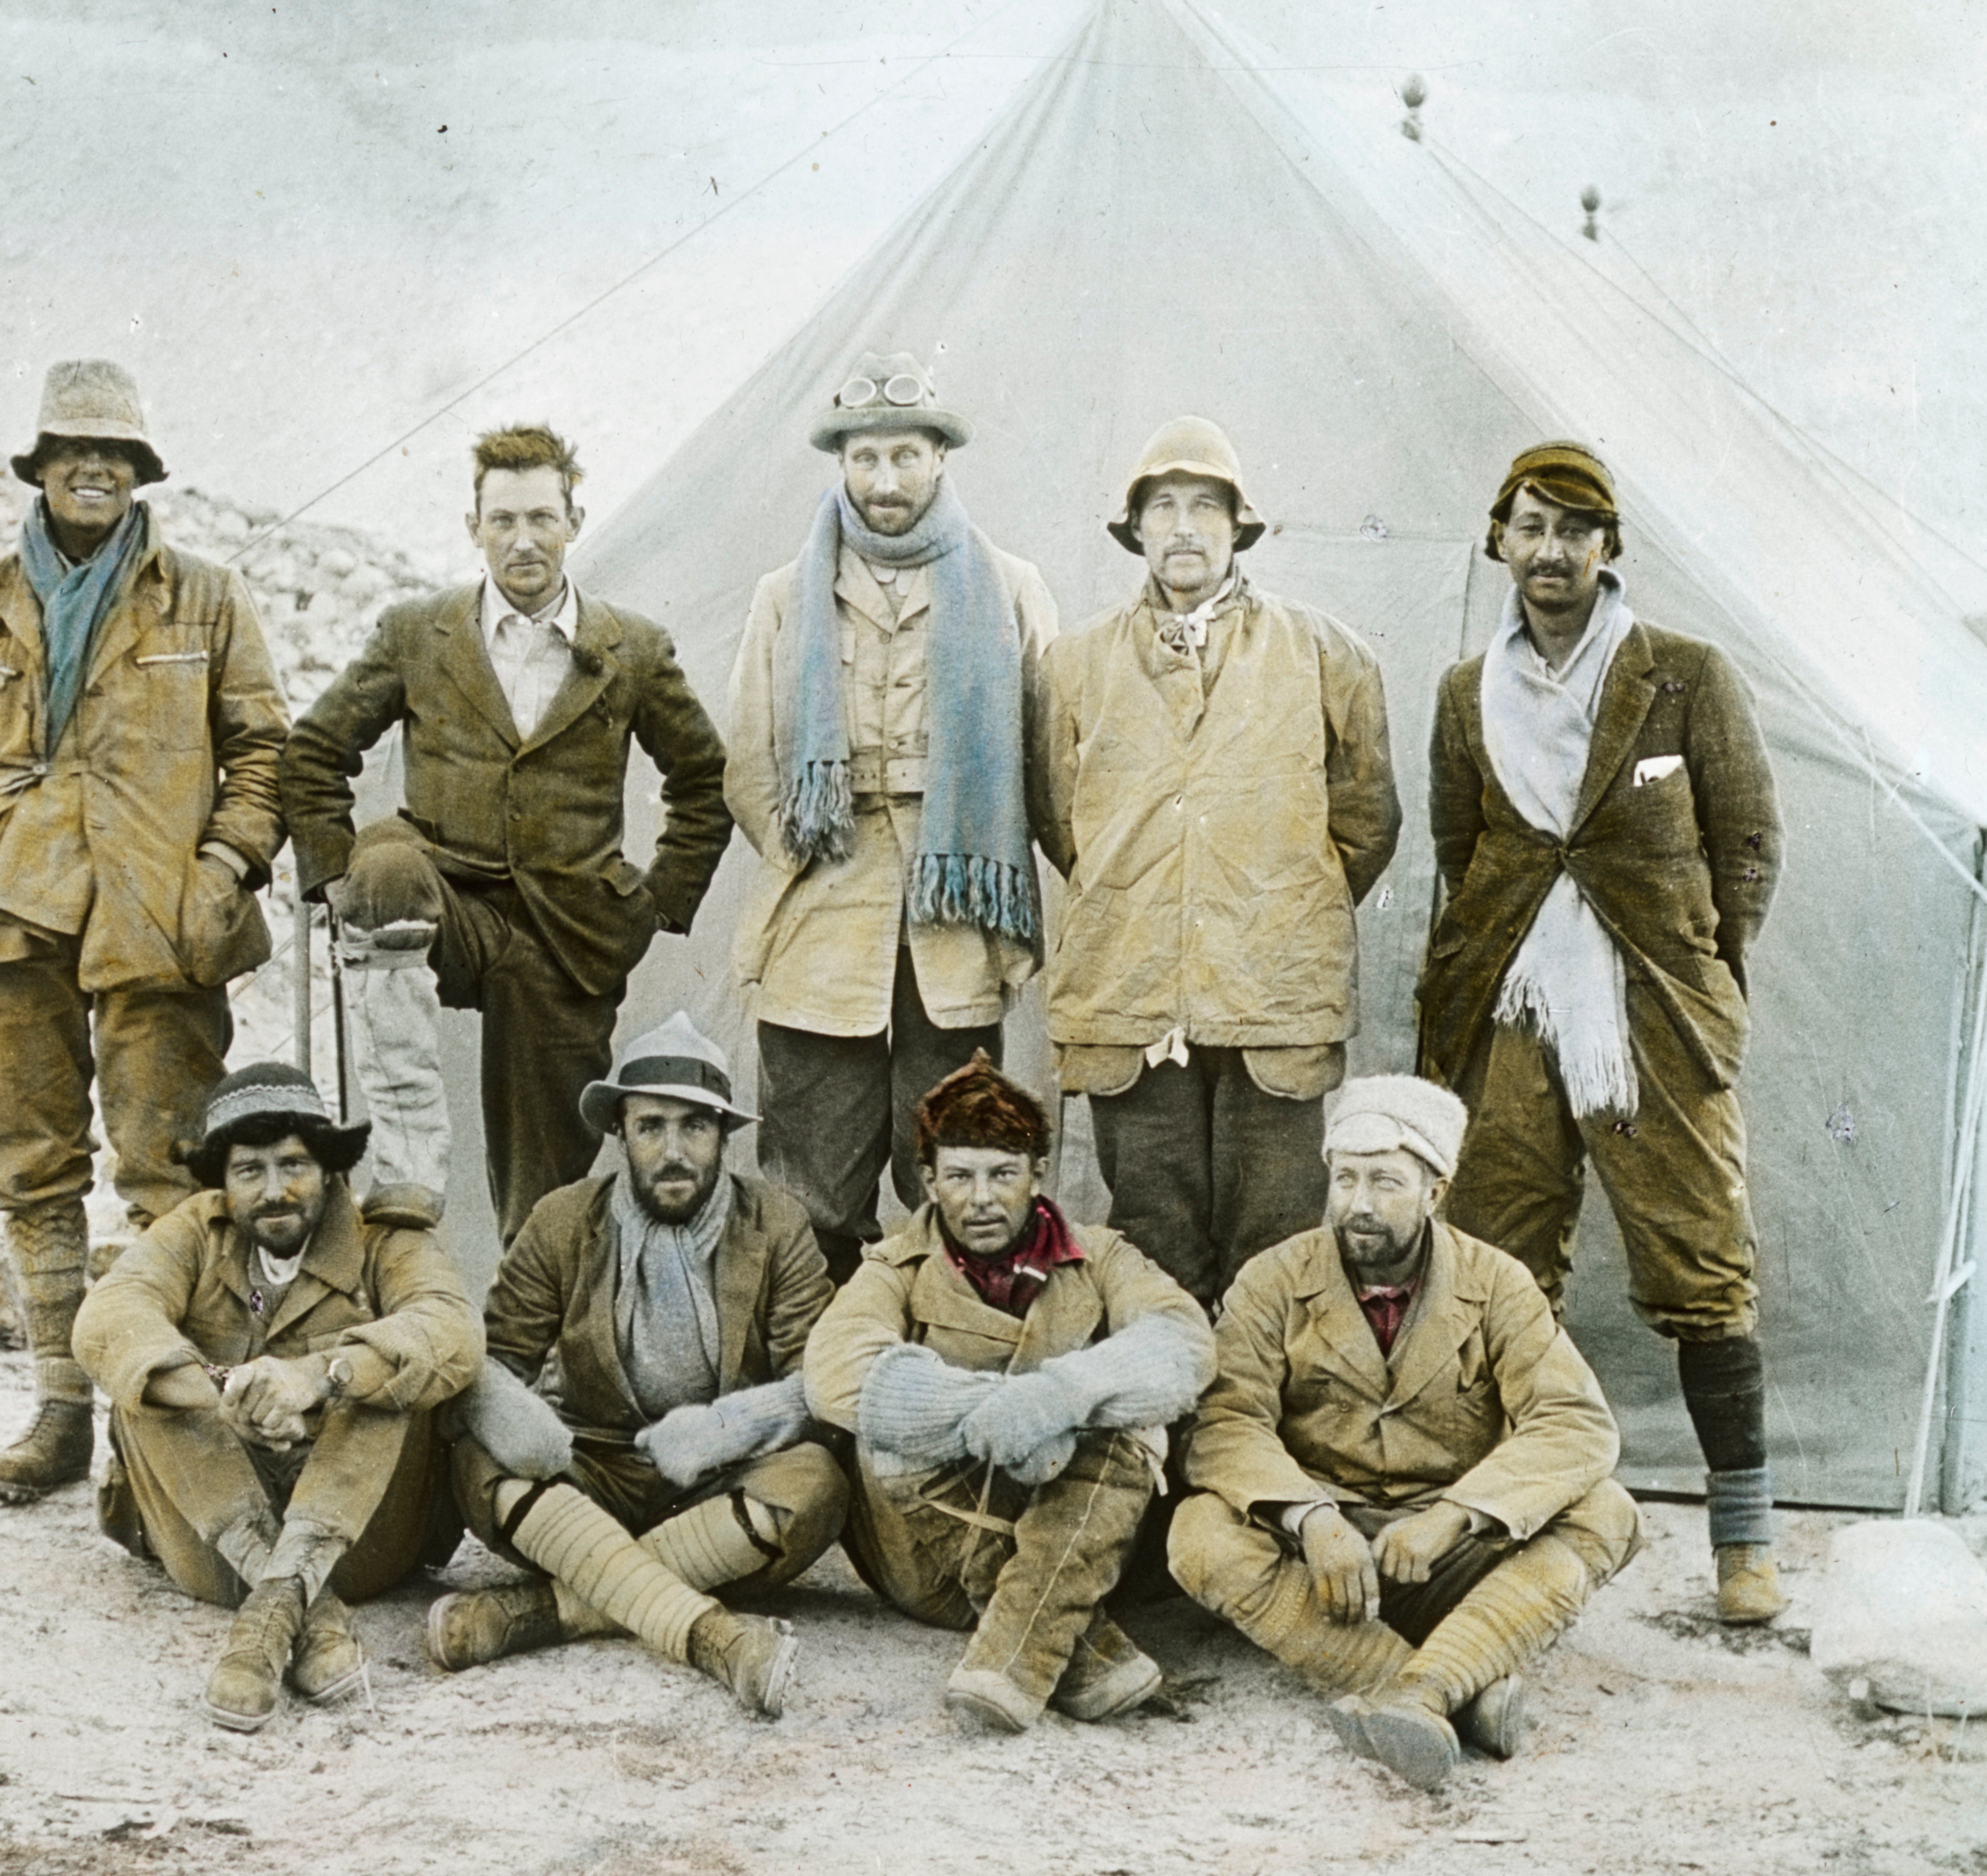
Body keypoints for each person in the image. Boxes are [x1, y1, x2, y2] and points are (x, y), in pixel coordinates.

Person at [0, 359, 288, 1503]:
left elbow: (264, 750)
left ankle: (154, 1432)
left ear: (141, 471)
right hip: (12, 910)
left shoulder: (203, 597)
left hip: (162, 915)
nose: (94, 469)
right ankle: (61, 1409)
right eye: (73, 451)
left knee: (169, 1165)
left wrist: (223, 863)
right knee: (27, 1160)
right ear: (43, 467)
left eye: (114, 453)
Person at [1418, 441, 1784, 1622]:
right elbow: (1460, 852)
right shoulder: (1465, 690)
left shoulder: (1682, 675)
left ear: (1610, 548)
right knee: (1499, 1263)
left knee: (1701, 1254)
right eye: (1530, 527)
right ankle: (1519, 1516)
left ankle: (1745, 1541)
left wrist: (1700, 974)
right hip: (1513, 1005)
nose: (1551, 552)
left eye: (1576, 529)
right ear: (1500, 543)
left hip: (1651, 1012)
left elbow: (1750, 843)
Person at [282, 424, 731, 1247]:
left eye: (540, 518)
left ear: (573, 520)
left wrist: (657, 900)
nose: (522, 541)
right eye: (502, 521)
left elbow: (704, 779)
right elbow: (313, 750)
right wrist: (330, 884)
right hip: (444, 899)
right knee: (383, 869)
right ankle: (410, 1155)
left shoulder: (631, 647)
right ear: (473, 527)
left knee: (547, 1183)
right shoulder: (418, 631)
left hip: (568, 933)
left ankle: (539, 1346)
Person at [1168, 1075, 1641, 1791]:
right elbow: (1226, 1420)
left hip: (1449, 1553)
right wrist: (1310, 1518)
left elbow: (1572, 1420)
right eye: (1345, 1179)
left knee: (1607, 1510)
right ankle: (1442, 1688)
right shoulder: (1271, 1279)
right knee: (1197, 1531)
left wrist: (1454, 1516)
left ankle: (1423, 1690)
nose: (1358, 1204)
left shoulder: (1498, 1284)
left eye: (1386, 1181)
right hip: (1325, 1562)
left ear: (1435, 1192)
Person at [1039, 417, 1399, 1318]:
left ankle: (1254, 1441)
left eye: (1207, 505)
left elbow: (1365, 821)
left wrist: (1272, 904)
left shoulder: (1326, 654)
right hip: (1128, 985)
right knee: (1153, 1234)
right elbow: (1060, 823)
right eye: (1163, 507)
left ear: (1241, 524)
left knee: (1272, 1239)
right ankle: (1166, 1441)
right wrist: (1150, 901)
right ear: (1136, 529)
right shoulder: (1072, 665)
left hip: (1272, 990)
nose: (1185, 527)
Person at [725, 351, 1059, 1286]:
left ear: (941, 458)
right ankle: (810, 1368)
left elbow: (1044, 763)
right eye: (864, 459)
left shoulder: (1011, 587)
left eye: (904, 457)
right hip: (821, 918)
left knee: (956, 1168)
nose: (884, 482)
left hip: (955, 917)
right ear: (839, 463)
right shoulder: (785, 595)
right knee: (807, 1182)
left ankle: (946, 1343)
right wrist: (816, 852)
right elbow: (749, 764)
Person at [427, 1014, 846, 1718]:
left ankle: (545, 1609)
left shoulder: (776, 1223)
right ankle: (714, 1636)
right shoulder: (564, 1218)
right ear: (620, 1132)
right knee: (478, 1457)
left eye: (695, 1126)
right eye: (651, 1126)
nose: (673, 1151)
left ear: (723, 1134)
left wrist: (729, 1427)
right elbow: (496, 1361)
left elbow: (819, 1379)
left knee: (817, 1481)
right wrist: (525, 1427)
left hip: (719, 1478)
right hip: (590, 1470)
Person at [802, 1053, 1211, 1732]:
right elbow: (835, 1371)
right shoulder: (894, 1265)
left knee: (1130, 1435)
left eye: (1003, 1173)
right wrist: (991, 1412)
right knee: (889, 1432)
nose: (982, 1198)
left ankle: (1009, 1665)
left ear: (1038, 1174)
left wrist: (1060, 1395)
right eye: (959, 1176)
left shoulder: (1101, 1255)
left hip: (1067, 1519)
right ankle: (1079, 1648)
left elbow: (1184, 1342)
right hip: (930, 1554)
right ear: (929, 1180)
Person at [72, 1064, 482, 1733]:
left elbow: (453, 1329)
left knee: (388, 1378)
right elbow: (108, 1316)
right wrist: (220, 1387)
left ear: (329, 1168)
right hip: (216, 1537)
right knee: (144, 1386)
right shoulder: (196, 1232)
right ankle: (298, 1607)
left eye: (293, 1164)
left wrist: (320, 1376)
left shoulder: (386, 1240)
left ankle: (269, 1618)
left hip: (361, 1543)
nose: (273, 1191)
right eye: (248, 1171)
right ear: (222, 1183)